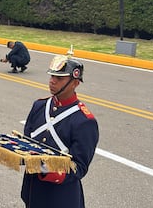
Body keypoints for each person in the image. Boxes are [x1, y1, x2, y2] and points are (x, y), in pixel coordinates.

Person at [21, 54, 99, 208]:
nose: (52, 81)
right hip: (32, 188)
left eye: (59, 78)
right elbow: (26, 141)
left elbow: (79, 167)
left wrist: (42, 167)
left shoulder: (84, 120)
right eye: (52, 76)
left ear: (75, 83)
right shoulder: (39, 106)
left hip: (60, 196)